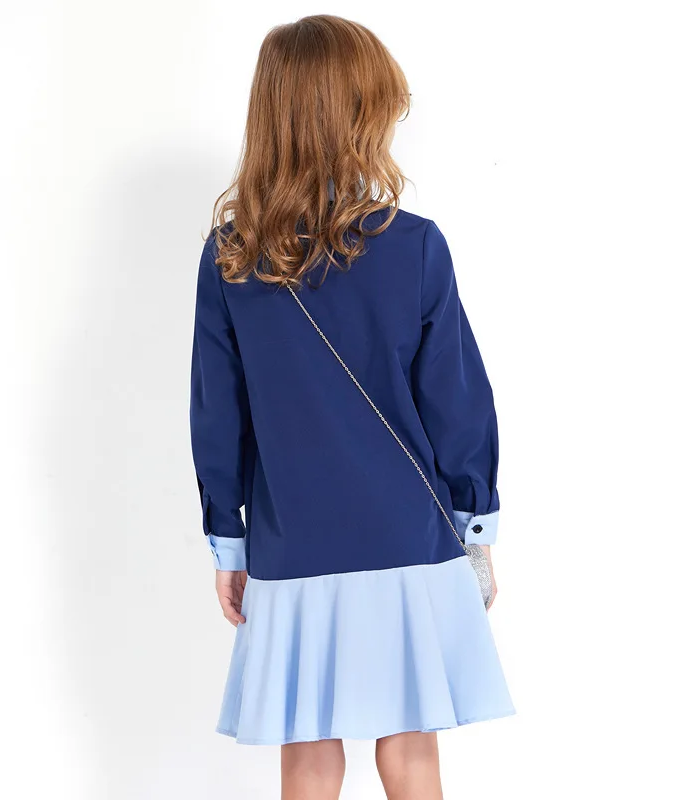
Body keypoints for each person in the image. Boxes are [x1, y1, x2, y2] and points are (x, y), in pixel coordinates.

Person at [189, 14, 515, 800]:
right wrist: (475, 529)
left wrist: (229, 543)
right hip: (408, 534)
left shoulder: (232, 256)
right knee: (410, 753)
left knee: (307, 756)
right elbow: (457, 401)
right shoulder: (416, 246)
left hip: (291, 540)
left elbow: (217, 415)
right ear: (360, 118)